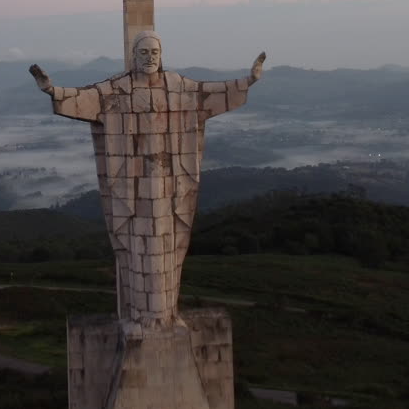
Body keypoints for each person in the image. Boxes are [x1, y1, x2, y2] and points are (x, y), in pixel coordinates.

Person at [30, 32, 265, 331]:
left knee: (170, 252)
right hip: (133, 193)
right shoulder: (117, 89)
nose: (150, 57)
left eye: (155, 52)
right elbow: (84, 98)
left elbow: (212, 92)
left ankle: (167, 315)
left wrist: (248, 81)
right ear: (134, 56)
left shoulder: (178, 86)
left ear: (161, 55)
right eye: (144, 52)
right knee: (137, 252)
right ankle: (140, 316)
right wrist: (52, 90)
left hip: (171, 189)